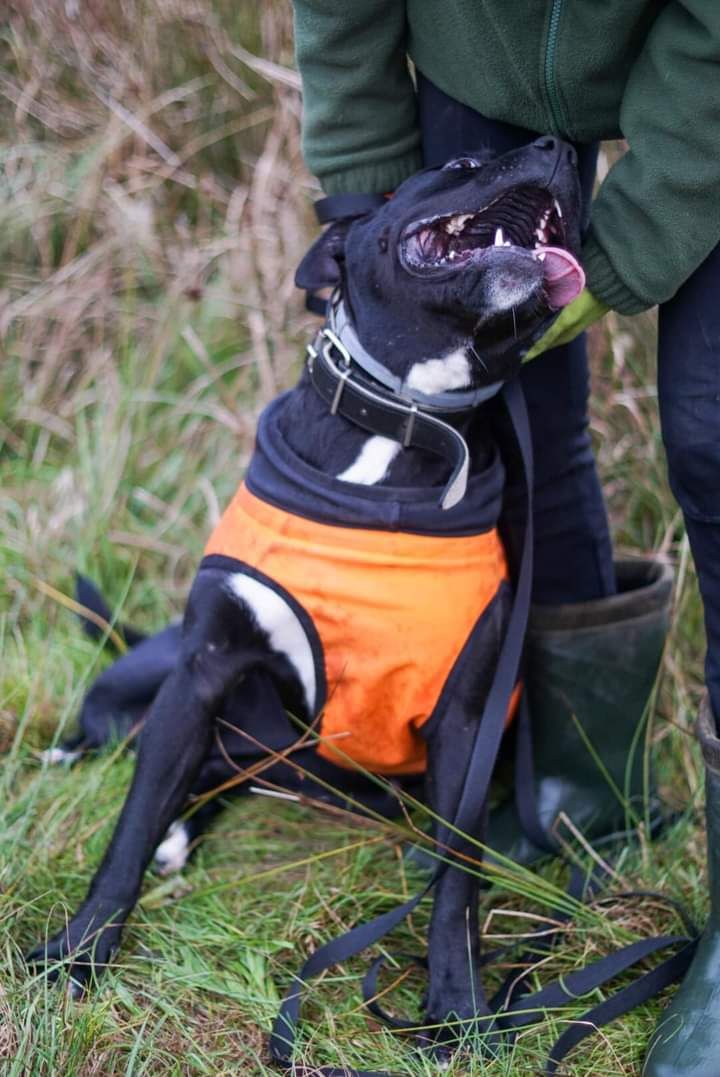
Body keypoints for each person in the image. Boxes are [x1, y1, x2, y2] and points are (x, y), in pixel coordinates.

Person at [289, 4, 720, 1072]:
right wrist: (363, 194)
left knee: (714, 428)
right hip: (475, 66)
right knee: (515, 427)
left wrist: (623, 252)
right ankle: (582, 799)